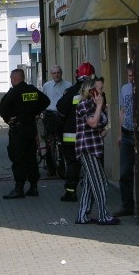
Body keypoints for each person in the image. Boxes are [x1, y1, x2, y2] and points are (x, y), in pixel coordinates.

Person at [0, 68, 50, 199]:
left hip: (18, 130)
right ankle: (33, 187)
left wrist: (8, 119)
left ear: (15, 79)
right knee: (31, 158)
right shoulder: (32, 90)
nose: (11, 81)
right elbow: (46, 101)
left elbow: (2, 107)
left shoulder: (14, 92)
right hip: (31, 129)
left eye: (11, 79)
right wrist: (35, 113)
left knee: (18, 158)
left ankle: (19, 188)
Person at [74, 76, 119, 225]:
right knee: (100, 182)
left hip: (94, 147)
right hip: (87, 149)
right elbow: (92, 123)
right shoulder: (84, 104)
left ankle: (82, 215)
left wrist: (102, 131)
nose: (102, 91)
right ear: (91, 90)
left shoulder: (93, 105)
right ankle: (103, 215)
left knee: (89, 183)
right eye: (99, 88)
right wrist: (99, 105)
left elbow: (98, 124)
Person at [56, 62, 96, 202]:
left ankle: (71, 192)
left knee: (73, 164)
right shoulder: (96, 92)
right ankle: (93, 191)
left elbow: (60, 109)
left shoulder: (71, 91)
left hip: (71, 138)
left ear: (77, 75)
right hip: (91, 138)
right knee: (92, 164)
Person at [40, 65, 71, 176]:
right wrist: (41, 112)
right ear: (51, 74)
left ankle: (63, 167)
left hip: (63, 116)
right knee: (49, 142)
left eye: (58, 72)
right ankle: (51, 168)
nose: (56, 75)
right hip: (50, 115)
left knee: (63, 142)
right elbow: (42, 100)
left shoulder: (68, 85)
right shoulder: (47, 86)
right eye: (54, 73)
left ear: (61, 73)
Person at [114, 62, 136, 217]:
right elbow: (122, 111)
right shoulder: (124, 89)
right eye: (129, 75)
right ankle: (127, 205)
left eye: (133, 76)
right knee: (125, 173)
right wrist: (120, 133)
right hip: (127, 134)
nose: (131, 79)